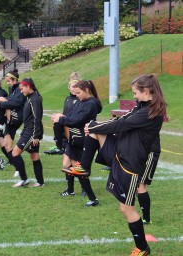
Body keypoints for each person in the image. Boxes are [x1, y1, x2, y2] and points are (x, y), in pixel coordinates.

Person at [69, 74, 166, 255]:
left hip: (131, 164)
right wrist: (94, 126)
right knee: (93, 129)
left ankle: (143, 248)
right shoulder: (141, 107)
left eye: (135, 92)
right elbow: (118, 121)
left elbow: (123, 125)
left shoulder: (151, 113)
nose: (134, 96)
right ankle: (84, 167)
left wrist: (94, 127)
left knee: (126, 208)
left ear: (146, 91)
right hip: (119, 154)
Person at [53, 80, 102, 206]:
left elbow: (77, 121)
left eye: (79, 92)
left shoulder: (91, 104)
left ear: (86, 90)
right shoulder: (82, 101)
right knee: (72, 167)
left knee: (79, 169)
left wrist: (61, 119)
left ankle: (91, 197)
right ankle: (76, 192)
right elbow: (72, 117)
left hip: (83, 141)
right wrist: (61, 117)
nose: (77, 95)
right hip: (73, 140)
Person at [11, 78, 44, 187]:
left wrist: (36, 135)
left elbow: (37, 119)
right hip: (28, 131)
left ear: (29, 86)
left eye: (22, 89)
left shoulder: (35, 99)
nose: (21, 91)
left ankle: (24, 179)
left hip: (32, 132)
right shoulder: (30, 98)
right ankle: (40, 182)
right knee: (34, 156)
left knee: (15, 153)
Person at [0, 69, 26, 176]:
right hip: (10, 120)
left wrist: (3, 103)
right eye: (7, 81)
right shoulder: (12, 89)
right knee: (7, 145)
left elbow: (16, 103)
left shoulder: (19, 89)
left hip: (17, 117)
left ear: (14, 80)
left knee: (1, 100)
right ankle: (18, 168)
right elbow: (10, 101)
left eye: (9, 81)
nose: (7, 83)